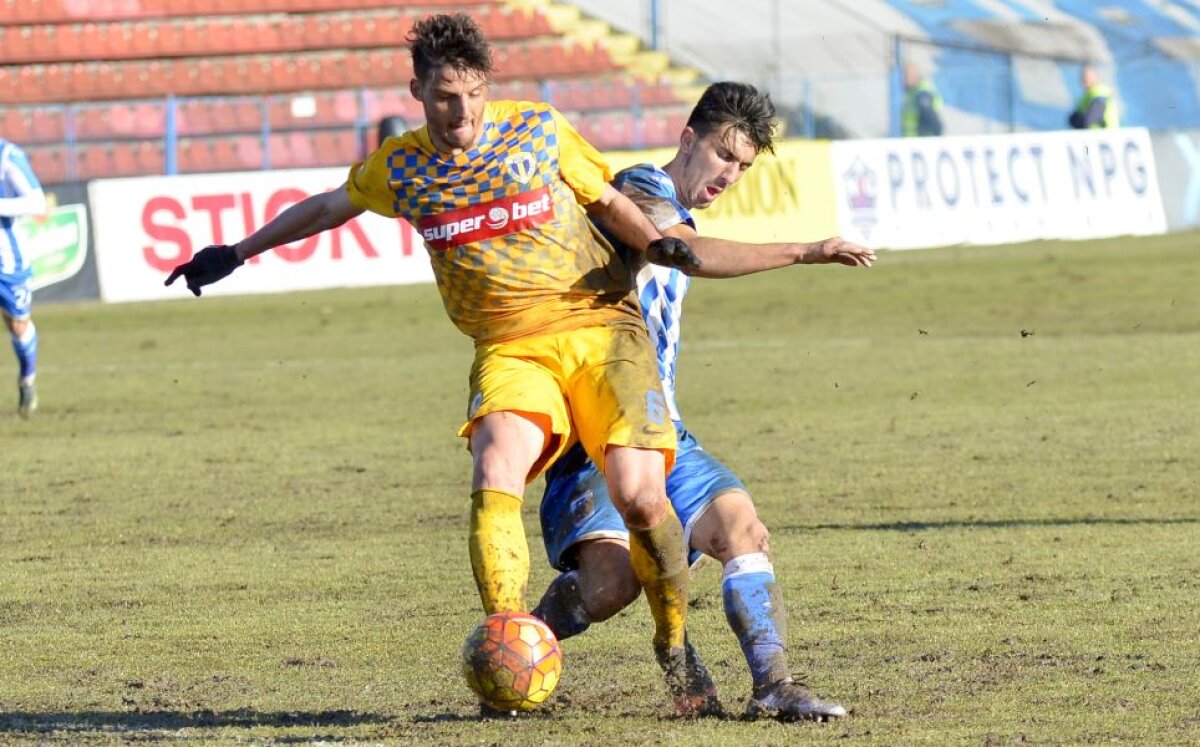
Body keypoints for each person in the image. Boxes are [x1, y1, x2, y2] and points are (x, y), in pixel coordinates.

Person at [164, 13, 717, 717]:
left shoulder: (540, 130)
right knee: (493, 470)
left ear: (489, 87)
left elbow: (606, 198)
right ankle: (511, 648)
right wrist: (238, 252)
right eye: (446, 97)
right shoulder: (402, 165)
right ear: (419, 91)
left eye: (474, 94)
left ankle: (673, 642)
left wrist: (659, 245)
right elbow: (330, 206)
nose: (462, 112)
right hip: (510, 348)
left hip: (599, 327)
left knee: (642, 499)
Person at [531, 82, 875, 722]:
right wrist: (806, 250)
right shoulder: (638, 189)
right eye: (723, 154)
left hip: (664, 429)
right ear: (688, 138)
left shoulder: (677, 205)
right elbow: (688, 256)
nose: (731, 174)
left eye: (743, 166)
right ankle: (520, 643)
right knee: (610, 587)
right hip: (598, 434)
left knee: (741, 528)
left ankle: (774, 684)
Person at [0, 136, 47, 418]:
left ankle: (27, 379)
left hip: (7, 258)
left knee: (18, 325)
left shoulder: (7, 155)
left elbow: (37, 202)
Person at [1069, 65, 1120, 129]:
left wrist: (1078, 120)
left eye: (1087, 77)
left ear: (1096, 77)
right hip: (1092, 137)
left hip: (1104, 136)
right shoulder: (1088, 95)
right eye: (1082, 76)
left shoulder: (1100, 93)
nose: (1084, 79)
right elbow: (1073, 119)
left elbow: (1088, 120)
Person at [901, 63, 943, 137]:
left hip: (919, 143)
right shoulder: (912, 92)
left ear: (915, 76)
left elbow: (932, 120)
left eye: (906, 77)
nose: (903, 80)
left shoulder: (922, 93)